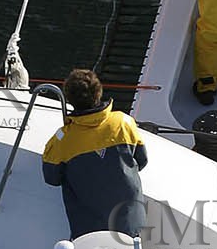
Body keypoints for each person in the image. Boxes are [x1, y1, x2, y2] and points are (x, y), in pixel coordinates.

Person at [41, 68, 148, 238]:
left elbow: (52, 178)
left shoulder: (62, 139)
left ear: (69, 99)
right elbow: (142, 161)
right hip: (131, 222)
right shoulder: (124, 122)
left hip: (89, 230)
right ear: (99, 92)